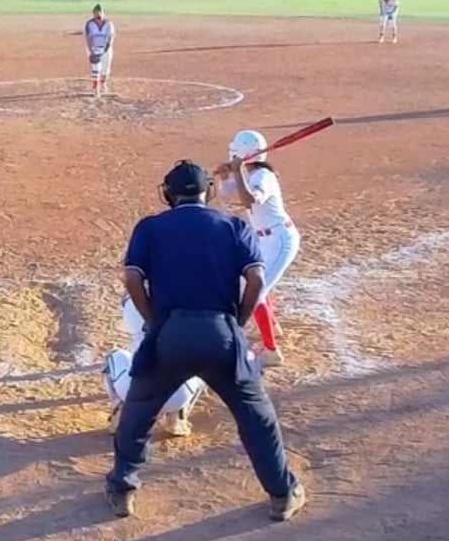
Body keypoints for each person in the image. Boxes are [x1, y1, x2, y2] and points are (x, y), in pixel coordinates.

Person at [105, 160, 306, 521]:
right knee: (256, 415)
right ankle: (282, 493)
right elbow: (257, 280)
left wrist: (155, 322)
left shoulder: (150, 227)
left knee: (138, 411)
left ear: (169, 194)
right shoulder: (234, 226)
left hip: (170, 333)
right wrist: (236, 322)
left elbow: (132, 280)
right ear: (207, 193)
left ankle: (122, 489)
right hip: (221, 333)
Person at [215, 130, 301, 369]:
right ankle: (271, 326)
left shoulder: (264, 176)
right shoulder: (249, 173)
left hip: (281, 239)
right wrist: (224, 176)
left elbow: (250, 200)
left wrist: (236, 172)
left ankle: (271, 351)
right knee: (254, 283)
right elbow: (228, 195)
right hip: (265, 239)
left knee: (256, 292)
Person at [103, 295, 204, 439]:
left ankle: (122, 408)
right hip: (179, 396)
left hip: (134, 393)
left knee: (112, 357)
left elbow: (128, 296)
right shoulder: (186, 301)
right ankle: (177, 416)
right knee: (200, 362)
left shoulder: (133, 301)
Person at [83, 3, 115, 99]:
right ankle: (96, 89)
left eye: (99, 13)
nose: (98, 15)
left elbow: (111, 37)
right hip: (94, 48)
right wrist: (91, 51)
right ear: (93, 14)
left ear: (103, 13)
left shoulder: (109, 24)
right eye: (96, 13)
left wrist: (106, 49)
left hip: (106, 49)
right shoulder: (89, 24)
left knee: (105, 70)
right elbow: (88, 38)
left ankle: (103, 83)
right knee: (96, 69)